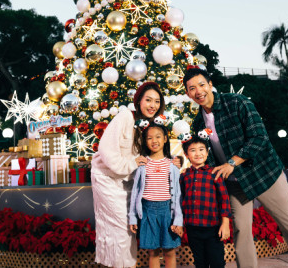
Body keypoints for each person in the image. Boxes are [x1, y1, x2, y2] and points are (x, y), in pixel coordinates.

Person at [183, 68, 288, 268]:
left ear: (210, 85)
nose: (198, 91)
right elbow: (205, 157)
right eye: (192, 88)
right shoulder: (198, 123)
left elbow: (259, 137)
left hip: (264, 174)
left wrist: (232, 162)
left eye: (202, 85)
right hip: (234, 183)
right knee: (241, 233)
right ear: (188, 94)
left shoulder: (237, 102)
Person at [91, 81, 165, 268]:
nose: (152, 105)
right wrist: (131, 164)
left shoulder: (150, 125)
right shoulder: (125, 116)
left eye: (156, 101)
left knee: (127, 229)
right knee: (121, 229)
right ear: (139, 100)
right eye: (148, 100)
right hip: (106, 178)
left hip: (128, 182)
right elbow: (106, 150)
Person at [128, 120, 183, 268]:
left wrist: (178, 219)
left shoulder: (172, 164)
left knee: (170, 251)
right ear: (145, 141)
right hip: (148, 211)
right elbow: (135, 192)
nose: (154, 141)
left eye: (158, 137)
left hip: (167, 211)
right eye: (149, 137)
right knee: (153, 252)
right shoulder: (142, 164)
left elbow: (177, 195)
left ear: (165, 139)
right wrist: (133, 217)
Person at [179, 133, 231, 268]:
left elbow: (224, 198)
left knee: (217, 262)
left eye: (201, 149)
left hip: (212, 227)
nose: (198, 153)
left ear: (207, 153)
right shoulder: (184, 175)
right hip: (192, 227)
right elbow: (181, 198)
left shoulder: (214, 173)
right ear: (186, 155)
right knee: (199, 262)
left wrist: (225, 223)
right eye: (193, 150)